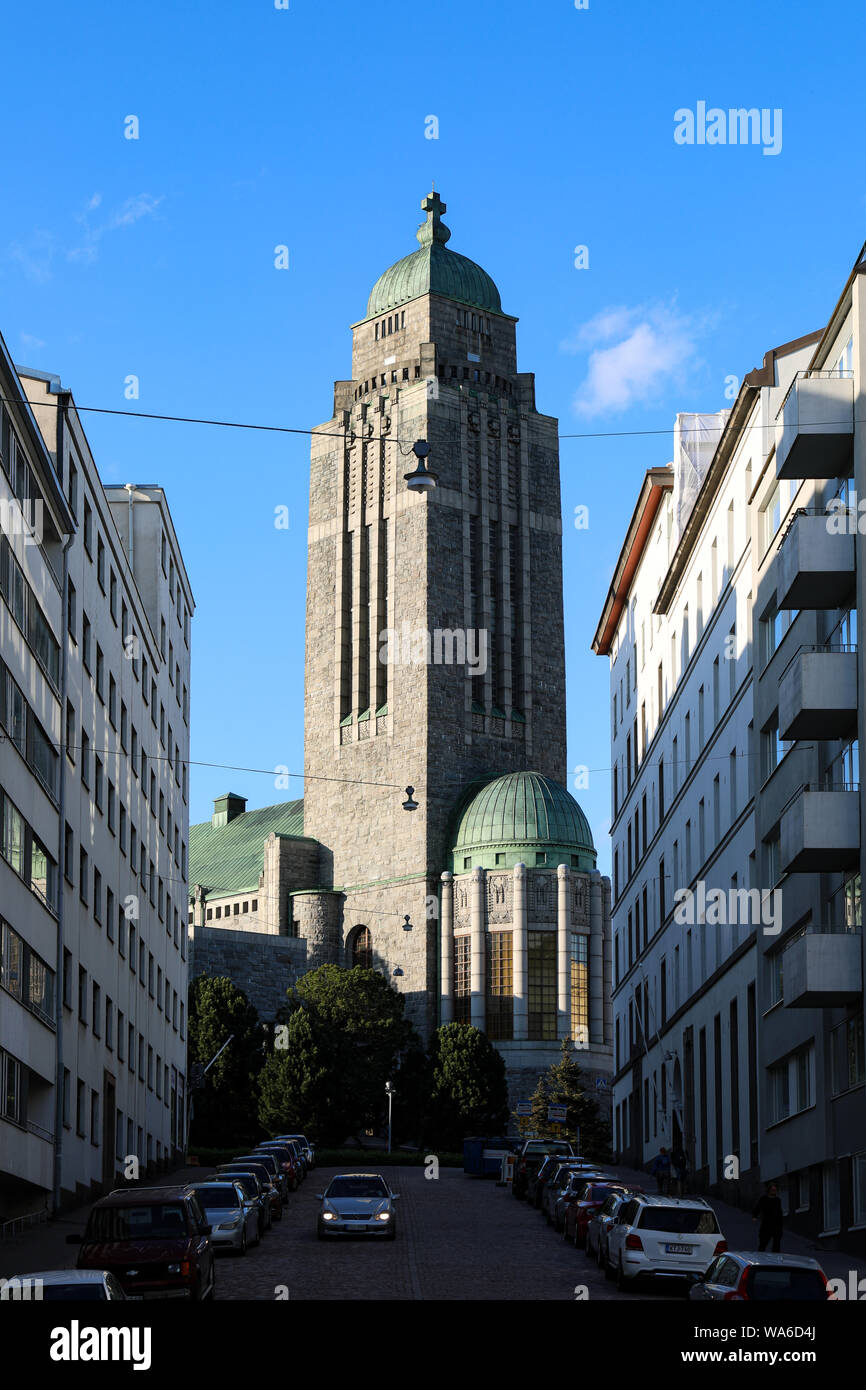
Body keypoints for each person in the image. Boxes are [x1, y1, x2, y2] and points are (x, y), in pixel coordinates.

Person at [752, 1181, 784, 1252]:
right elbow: (758, 1208)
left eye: (775, 1190)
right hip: (766, 1225)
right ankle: (760, 1258)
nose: (774, 1191)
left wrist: (781, 1226)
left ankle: (775, 1260)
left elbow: (779, 1213)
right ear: (769, 1190)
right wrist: (755, 1216)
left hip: (776, 1226)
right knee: (763, 1244)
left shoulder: (777, 1200)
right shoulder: (764, 1199)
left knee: (776, 1245)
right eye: (772, 1190)